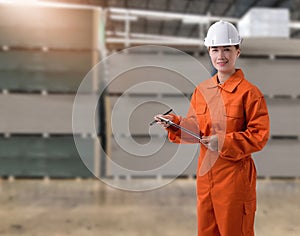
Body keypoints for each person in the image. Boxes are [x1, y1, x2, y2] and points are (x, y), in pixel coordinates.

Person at [154, 20, 270, 236]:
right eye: (215, 49)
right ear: (209, 51)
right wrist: (174, 123)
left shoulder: (249, 93)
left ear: (238, 51)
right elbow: (196, 128)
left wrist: (223, 141)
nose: (221, 55)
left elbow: (259, 136)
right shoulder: (202, 90)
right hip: (206, 179)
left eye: (227, 49)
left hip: (234, 181)